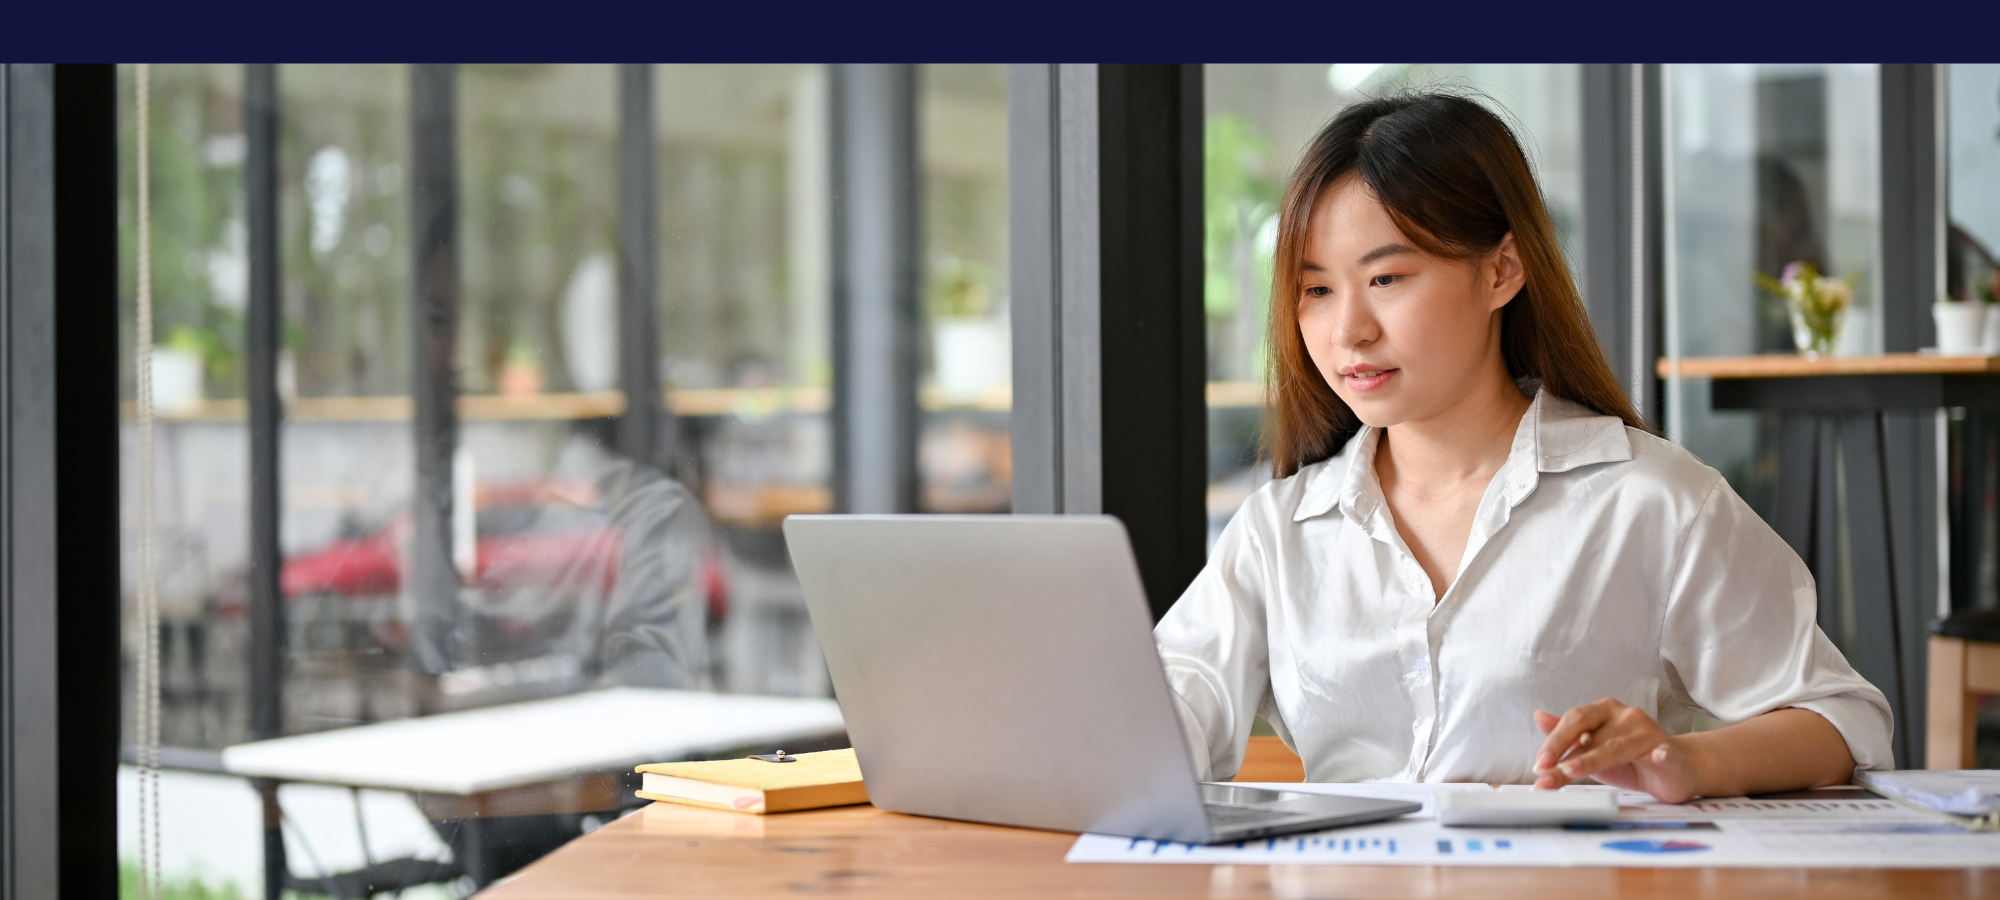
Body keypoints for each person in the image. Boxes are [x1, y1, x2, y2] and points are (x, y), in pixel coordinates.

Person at [1155, 92, 1892, 803]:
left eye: (1385, 278)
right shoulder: (1279, 531)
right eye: (1316, 290)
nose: (1348, 330)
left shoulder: (1649, 498)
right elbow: (1163, 714)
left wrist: (1686, 758)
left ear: (1502, 270)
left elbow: (1842, 721)